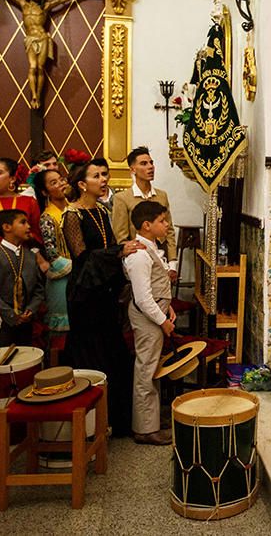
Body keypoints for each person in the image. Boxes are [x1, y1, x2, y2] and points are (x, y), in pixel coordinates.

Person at [61, 162, 142, 436]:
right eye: (96, 176)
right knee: (91, 352)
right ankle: (90, 424)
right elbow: (83, 257)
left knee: (113, 349)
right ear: (82, 184)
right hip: (85, 293)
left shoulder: (101, 210)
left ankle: (117, 419)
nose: (103, 179)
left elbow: (106, 248)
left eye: (105, 174)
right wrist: (119, 251)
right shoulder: (73, 215)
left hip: (104, 290)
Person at [0, 0, 86, 109]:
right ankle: (34, 96)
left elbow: (61, 0)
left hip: (42, 38)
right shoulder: (23, 4)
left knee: (40, 68)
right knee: (32, 67)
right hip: (30, 39)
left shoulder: (45, 7)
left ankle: (38, 94)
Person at [122, 201, 176, 445]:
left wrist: (169, 306)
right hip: (148, 318)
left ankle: (151, 419)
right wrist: (163, 321)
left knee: (152, 368)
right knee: (145, 370)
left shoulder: (150, 247)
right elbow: (143, 298)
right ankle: (144, 429)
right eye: (162, 221)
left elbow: (156, 287)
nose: (167, 225)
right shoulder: (139, 255)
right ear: (147, 225)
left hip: (155, 313)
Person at [0, 209, 45, 347]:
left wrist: (31, 309)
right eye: (23, 222)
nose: (29, 226)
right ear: (6, 227)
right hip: (3, 322)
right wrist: (10, 314)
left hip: (27, 321)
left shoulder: (30, 256)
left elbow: (39, 288)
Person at [111, 147, 178, 268]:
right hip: (138, 255)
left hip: (162, 254)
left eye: (151, 163)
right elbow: (121, 236)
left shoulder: (161, 196)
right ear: (133, 169)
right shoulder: (122, 198)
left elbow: (170, 231)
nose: (150, 166)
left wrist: (173, 262)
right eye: (144, 163)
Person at [33, 168, 71, 342]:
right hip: (62, 276)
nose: (60, 184)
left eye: (61, 179)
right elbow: (52, 254)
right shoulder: (47, 217)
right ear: (44, 191)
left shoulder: (74, 208)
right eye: (53, 183)